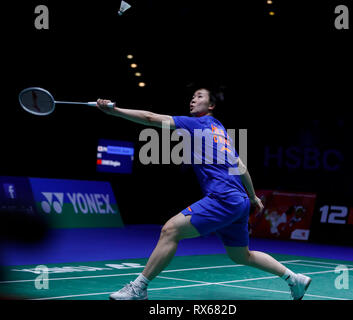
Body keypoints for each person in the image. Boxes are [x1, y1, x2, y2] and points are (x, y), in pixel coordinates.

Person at [96, 88, 311, 300]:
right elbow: (240, 165)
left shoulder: (196, 123)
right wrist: (252, 197)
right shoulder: (220, 129)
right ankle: (294, 279)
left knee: (170, 230)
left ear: (211, 106)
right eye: (191, 97)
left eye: (199, 97)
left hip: (223, 197)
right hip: (240, 201)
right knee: (241, 255)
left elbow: (151, 118)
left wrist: (115, 111)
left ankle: (138, 288)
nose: (192, 100)